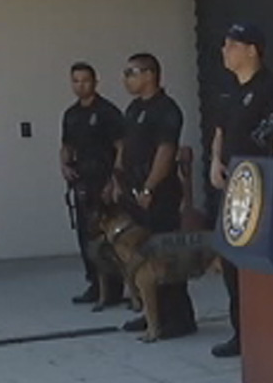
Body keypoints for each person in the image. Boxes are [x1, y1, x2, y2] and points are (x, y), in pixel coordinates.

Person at [208, 23, 273, 358]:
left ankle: (261, 331)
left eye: (232, 45)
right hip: (230, 188)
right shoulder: (227, 90)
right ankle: (240, 332)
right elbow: (220, 130)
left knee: (253, 262)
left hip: (258, 188)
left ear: (252, 50)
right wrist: (215, 161)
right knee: (231, 262)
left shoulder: (272, 90)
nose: (224, 51)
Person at [114, 52, 197, 339]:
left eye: (131, 73)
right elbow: (125, 144)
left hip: (158, 193)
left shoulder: (166, 109)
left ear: (150, 74)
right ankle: (152, 315)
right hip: (133, 190)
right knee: (141, 254)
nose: (126, 79)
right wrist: (118, 176)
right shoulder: (134, 109)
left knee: (165, 256)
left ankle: (178, 318)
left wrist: (150, 187)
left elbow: (166, 150)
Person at [60, 62, 124, 305]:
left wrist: (114, 181)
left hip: (104, 180)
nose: (80, 85)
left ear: (95, 81)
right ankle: (95, 285)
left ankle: (114, 288)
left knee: (108, 235)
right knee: (86, 235)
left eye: (85, 80)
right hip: (82, 180)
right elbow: (67, 146)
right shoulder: (71, 114)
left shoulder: (108, 112)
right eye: (75, 81)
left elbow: (121, 147)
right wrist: (64, 165)